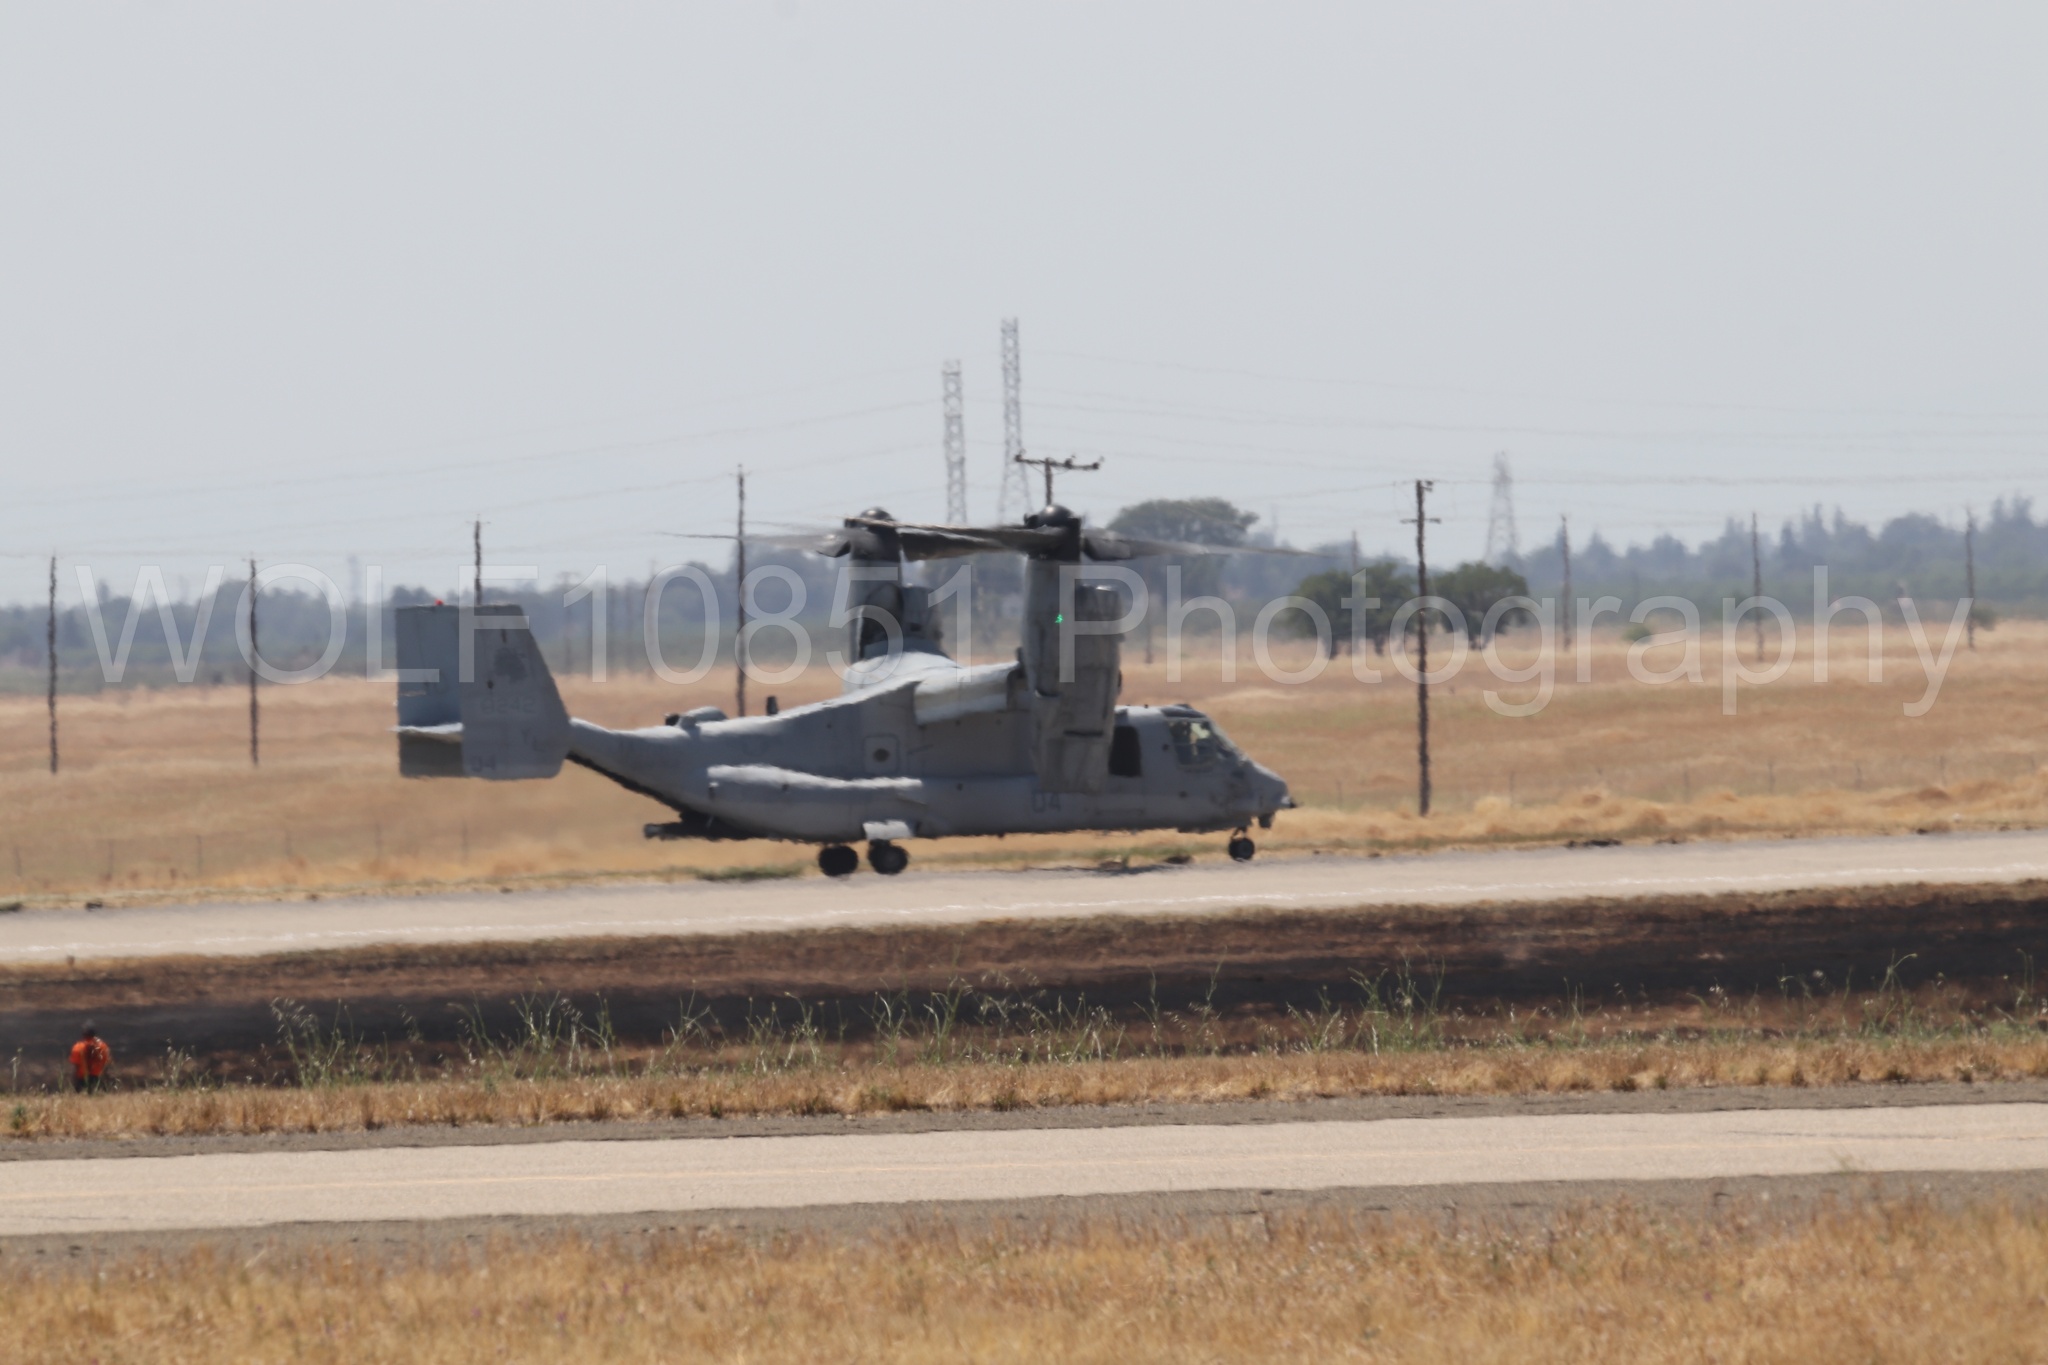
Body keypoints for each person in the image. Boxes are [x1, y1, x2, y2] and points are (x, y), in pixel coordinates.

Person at [68, 1023, 110, 1094]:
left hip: (82, 1079)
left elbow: (75, 1067)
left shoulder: (77, 1047)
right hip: (97, 1079)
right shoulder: (103, 1046)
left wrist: (74, 1082)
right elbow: (105, 1064)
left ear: (83, 1034)